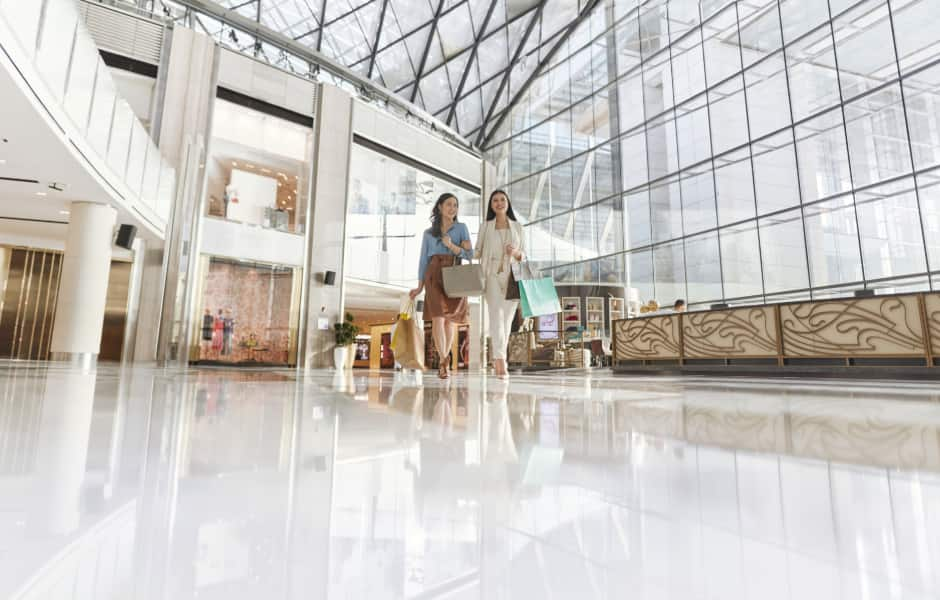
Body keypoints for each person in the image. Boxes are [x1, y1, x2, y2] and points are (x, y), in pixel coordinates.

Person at [410, 193, 473, 380]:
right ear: (439, 207)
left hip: (454, 272)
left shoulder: (462, 228)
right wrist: (419, 286)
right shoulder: (428, 233)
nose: (452, 208)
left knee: (449, 320)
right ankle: (444, 359)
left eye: (455, 205)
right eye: (448, 204)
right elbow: (423, 260)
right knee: (438, 317)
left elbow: (469, 255)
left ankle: (444, 362)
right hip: (434, 273)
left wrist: (452, 246)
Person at [475, 189, 525, 379]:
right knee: (495, 316)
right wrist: (459, 247)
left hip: (511, 276)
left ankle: (499, 357)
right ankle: (500, 361)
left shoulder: (518, 227)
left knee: (506, 320)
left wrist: (515, 253)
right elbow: (477, 251)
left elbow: (524, 255)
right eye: (495, 200)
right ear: (491, 205)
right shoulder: (485, 226)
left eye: (502, 199)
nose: (499, 203)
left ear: (508, 203)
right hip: (491, 275)